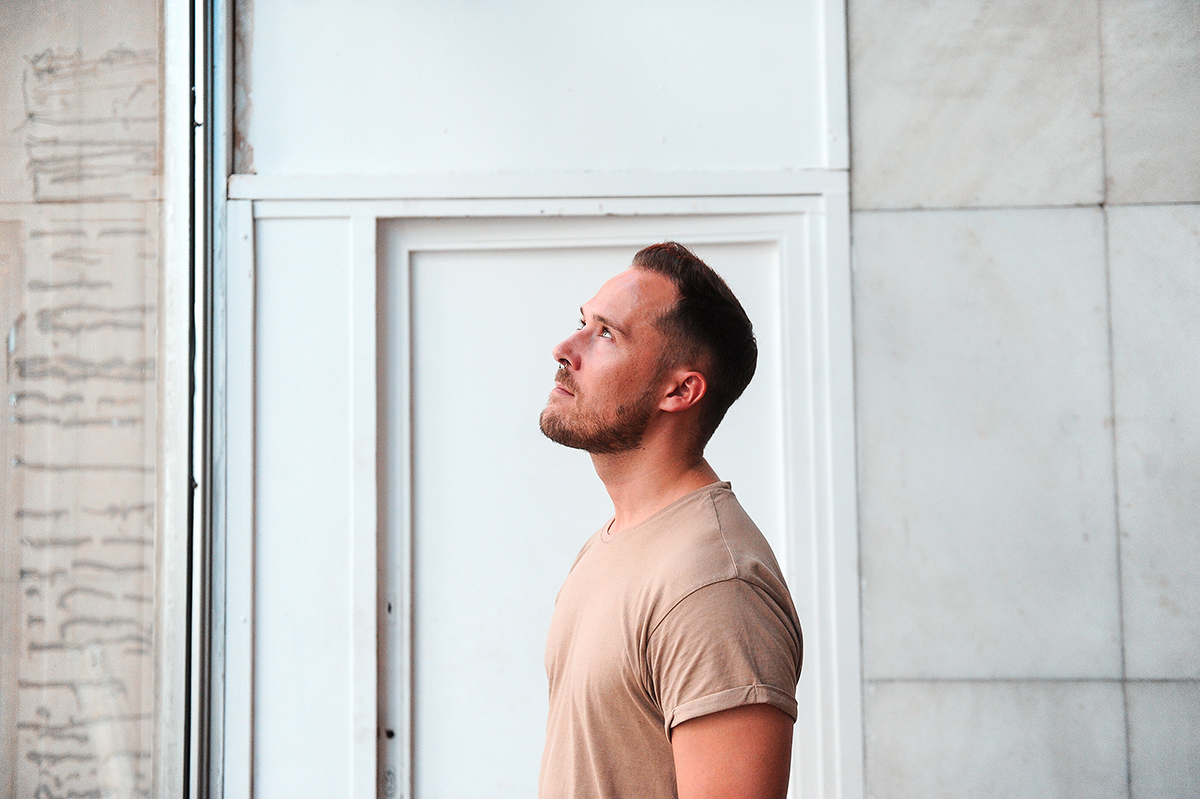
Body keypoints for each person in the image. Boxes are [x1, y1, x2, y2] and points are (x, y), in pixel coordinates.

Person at [537, 242, 803, 799]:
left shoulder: (716, 586)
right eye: (583, 323)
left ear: (680, 390)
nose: (564, 348)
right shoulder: (614, 543)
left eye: (606, 334)